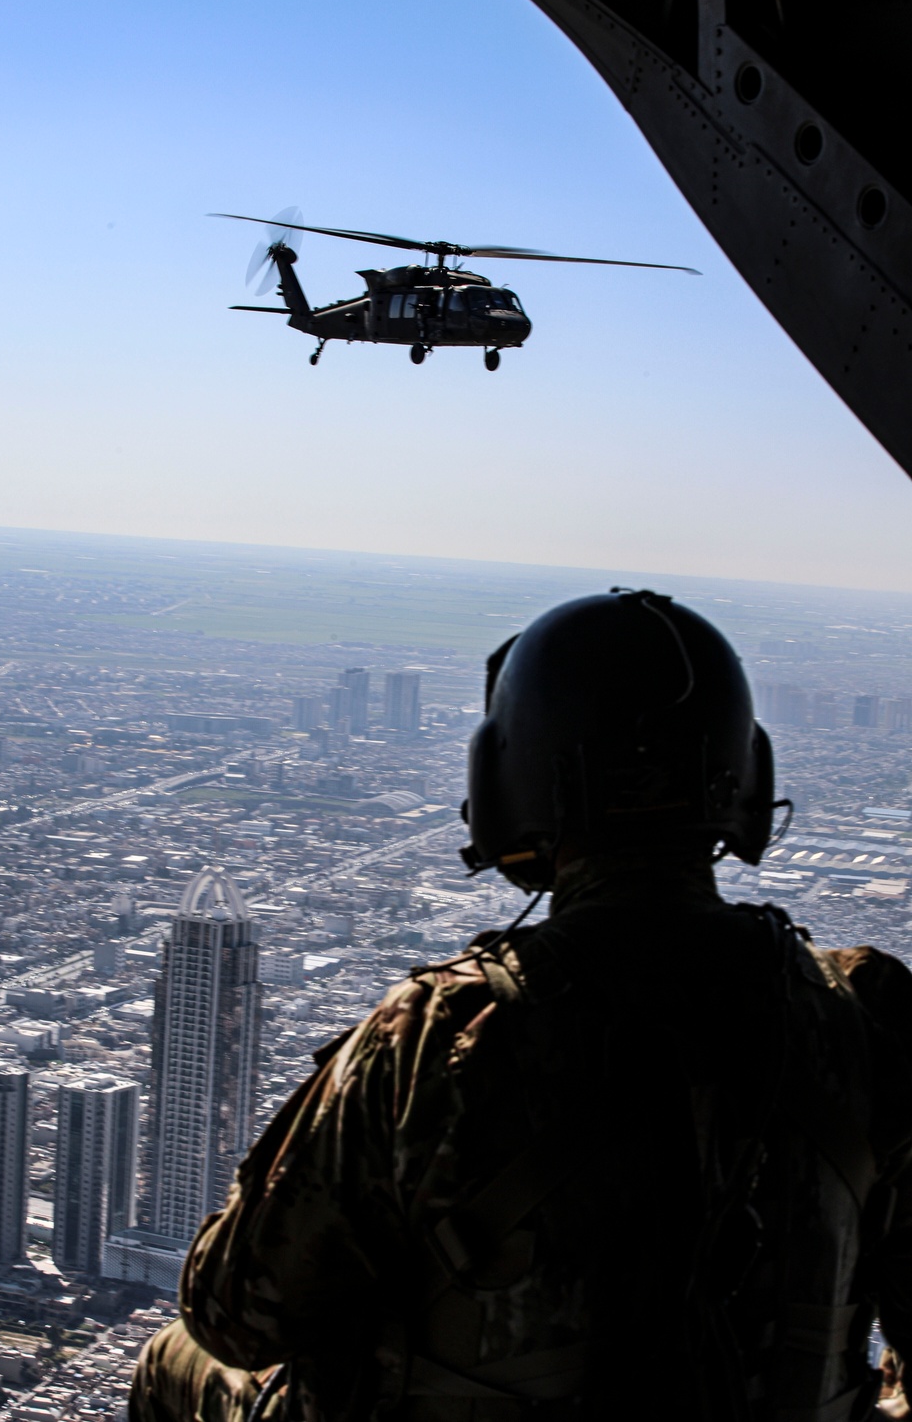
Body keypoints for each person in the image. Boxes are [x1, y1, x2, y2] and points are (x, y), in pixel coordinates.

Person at [130, 589, 912, 1422]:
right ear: (744, 777)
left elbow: (233, 1318)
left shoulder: (442, 1031)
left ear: (509, 781)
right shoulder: (867, 1017)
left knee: (172, 1362)